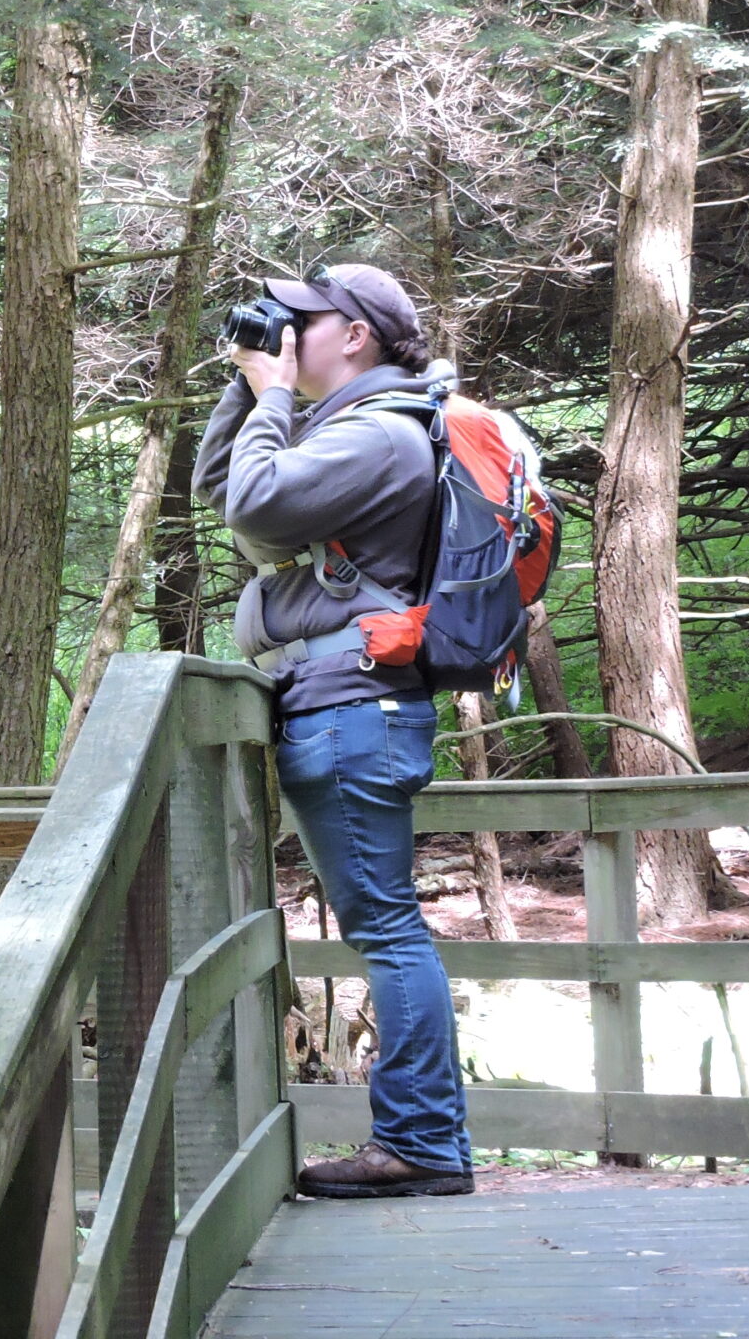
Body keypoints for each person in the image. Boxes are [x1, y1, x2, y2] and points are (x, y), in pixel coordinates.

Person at [192, 262, 475, 1199]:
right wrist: (255, 388)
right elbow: (219, 485)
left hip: (354, 707)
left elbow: (257, 506)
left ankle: (423, 1146)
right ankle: (424, 1141)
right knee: (388, 926)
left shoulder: (384, 436)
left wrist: (272, 396)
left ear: (355, 335)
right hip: (345, 707)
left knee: (389, 930)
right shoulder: (341, 428)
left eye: (300, 320)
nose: (283, 332)